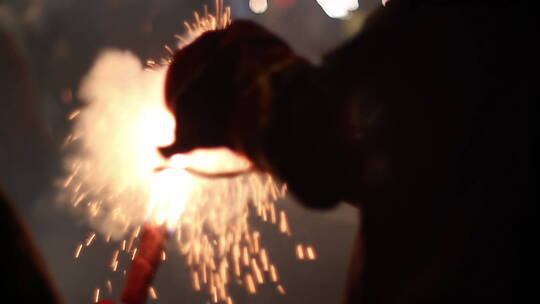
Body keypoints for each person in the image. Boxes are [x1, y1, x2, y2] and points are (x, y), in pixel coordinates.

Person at [160, 0, 537, 303]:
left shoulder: (432, 35)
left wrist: (266, 98)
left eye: (244, 139)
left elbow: (312, 146)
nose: (265, 167)